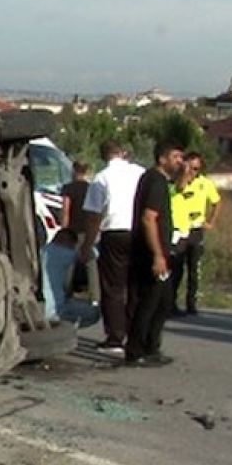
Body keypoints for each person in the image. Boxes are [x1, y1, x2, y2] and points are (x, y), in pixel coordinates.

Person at [125, 140, 185, 367]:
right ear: (162, 159)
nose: (179, 162)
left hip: (159, 251)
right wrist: (158, 255)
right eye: (176, 157)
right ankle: (136, 350)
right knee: (149, 303)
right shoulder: (155, 182)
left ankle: (151, 347)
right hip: (151, 253)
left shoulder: (158, 180)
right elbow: (149, 219)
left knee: (163, 302)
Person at [80, 141, 146, 348]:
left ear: (104, 156)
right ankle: (138, 332)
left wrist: (86, 246)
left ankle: (116, 336)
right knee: (135, 285)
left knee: (113, 287)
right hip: (139, 231)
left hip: (114, 232)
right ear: (124, 153)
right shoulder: (140, 173)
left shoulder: (102, 178)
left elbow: (94, 216)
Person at [170, 151, 222, 316]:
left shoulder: (205, 184)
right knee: (176, 268)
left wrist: (211, 221)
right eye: (190, 168)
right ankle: (171, 302)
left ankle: (191, 303)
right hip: (179, 229)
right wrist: (184, 175)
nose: (193, 172)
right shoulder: (175, 182)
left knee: (194, 268)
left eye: (196, 169)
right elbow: (179, 188)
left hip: (196, 229)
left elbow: (217, 202)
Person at [39, 227, 101, 328]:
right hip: (55, 310)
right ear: (72, 244)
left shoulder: (41, 251)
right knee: (94, 313)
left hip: (37, 306)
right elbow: (92, 256)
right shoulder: (70, 254)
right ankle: (66, 327)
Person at [60, 162, 99, 302]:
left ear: (73, 170)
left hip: (73, 229)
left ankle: (66, 292)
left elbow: (66, 210)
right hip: (87, 229)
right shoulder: (91, 188)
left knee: (68, 262)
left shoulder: (68, 188)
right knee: (90, 262)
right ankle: (94, 296)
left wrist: (64, 229)